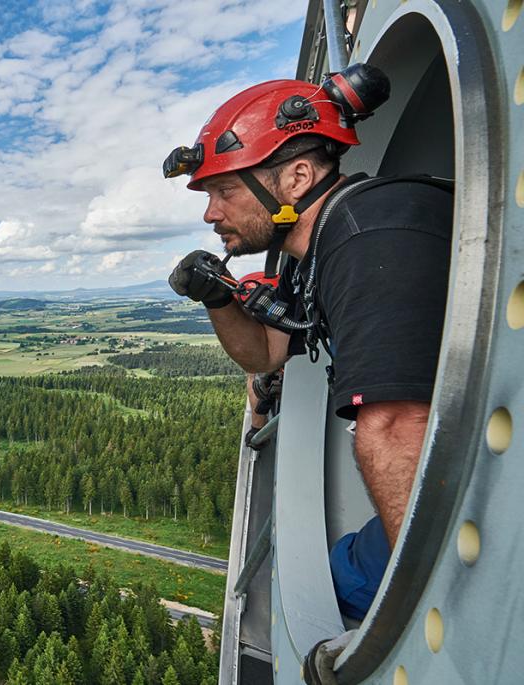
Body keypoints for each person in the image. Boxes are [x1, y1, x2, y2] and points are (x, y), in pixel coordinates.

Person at [161, 70, 453, 633]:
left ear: (295, 178)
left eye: (224, 191)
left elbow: (394, 425)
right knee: (340, 579)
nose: (209, 213)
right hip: (457, 464)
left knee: (344, 600)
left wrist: (443, 621)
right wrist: (219, 297)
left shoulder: (370, 237)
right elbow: (267, 355)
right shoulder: (313, 249)